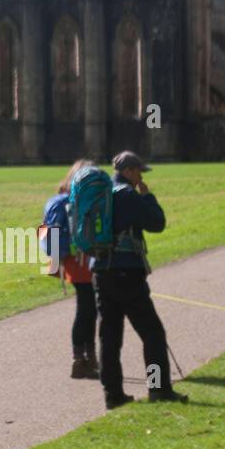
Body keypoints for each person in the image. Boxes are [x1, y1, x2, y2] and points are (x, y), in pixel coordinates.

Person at [91, 151, 187, 408]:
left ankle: (113, 396)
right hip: (127, 272)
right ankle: (159, 389)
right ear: (129, 171)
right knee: (153, 333)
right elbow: (157, 223)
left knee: (109, 338)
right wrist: (148, 196)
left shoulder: (99, 194)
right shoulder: (127, 195)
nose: (140, 177)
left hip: (100, 271)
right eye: (139, 172)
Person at [42, 159, 99, 379]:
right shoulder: (65, 202)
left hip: (84, 260)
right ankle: (80, 359)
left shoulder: (72, 200)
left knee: (90, 308)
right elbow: (52, 233)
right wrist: (56, 265)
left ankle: (89, 357)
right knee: (86, 308)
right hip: (78, 262)